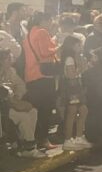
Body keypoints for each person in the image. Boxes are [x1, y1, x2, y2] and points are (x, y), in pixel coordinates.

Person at [22, 12, 59, 151]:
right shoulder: (43, 32)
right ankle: (43, 139)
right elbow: (46, 52)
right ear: (43, 20)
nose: (50, 24)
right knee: (45, 110)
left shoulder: (28, 34)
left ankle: (34, 139)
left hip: (30, 76)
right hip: (43, 75)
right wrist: (58, 46)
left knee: (35, 110)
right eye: (50, 20)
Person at [0, 49, 45, 158]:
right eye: (8, 59)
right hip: (3, 108)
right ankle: (29, 148)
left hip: (11, 103)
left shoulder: (11, 71)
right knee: (23, 116)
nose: (11, 61)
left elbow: (21, 86)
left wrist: (16, 96)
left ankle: (26, 142)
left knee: (33, 111)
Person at [59, 36, 92, 151]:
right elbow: (71, 75)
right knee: (72, 112)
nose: (81, 47)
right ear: (71, 46)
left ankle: (78, 136)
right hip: (72, 88)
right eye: (78, 45)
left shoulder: (76, 57)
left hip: (77, 87)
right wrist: (82, 68)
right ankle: (68, 140)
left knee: (83, 110)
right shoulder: (69, 59)